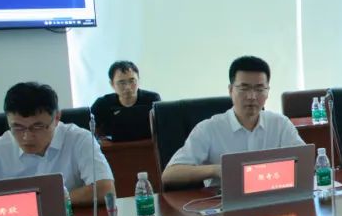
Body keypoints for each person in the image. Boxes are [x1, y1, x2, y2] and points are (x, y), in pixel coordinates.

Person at [161, 56, 304, 189]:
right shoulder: (209, 128)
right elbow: (169, 175)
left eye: (259, 89)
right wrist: (216, 170)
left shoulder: (280, 124)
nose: (252, 96)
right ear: (230, 90)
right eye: (244, 88)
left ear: (267, 92)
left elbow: (305, 163)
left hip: (272, 196)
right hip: (223, 202)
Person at [0, 82, 114, 205]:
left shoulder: (79, 139)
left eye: (37, 126)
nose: (27, 137)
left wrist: (38, 203)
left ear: (56, 118)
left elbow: (105, 190)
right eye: (17, 127)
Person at [90, 60, 162, 142]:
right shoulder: (102, 104)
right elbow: (87, 129)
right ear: (112, 84)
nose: (128, 87)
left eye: (132, 81)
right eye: (122, 83)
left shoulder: (152, 99)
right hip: (113, 148)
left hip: (148, 147)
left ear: (138, 80)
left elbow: (163, 127)